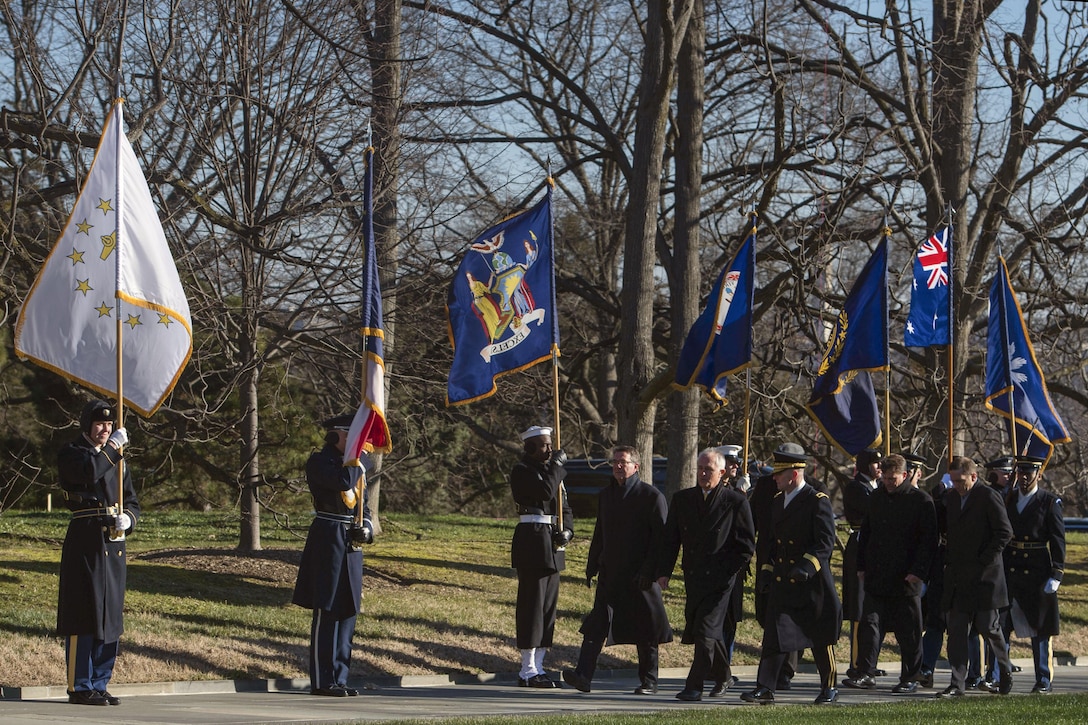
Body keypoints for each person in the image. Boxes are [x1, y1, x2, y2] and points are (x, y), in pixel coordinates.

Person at [563, 445, 672, 695]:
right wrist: (592, 565)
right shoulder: (606, 496)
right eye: (614, 462)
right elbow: (600, 533)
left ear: (636, 466)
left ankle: (649, 681)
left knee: (646, 629)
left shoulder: (651, 497)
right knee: (596, 625)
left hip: (641, 577)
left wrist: (651, 571)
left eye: (623, 462)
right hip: (610, 574)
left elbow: (661, 541)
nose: (618, 466)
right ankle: (583, 675)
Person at [740, 442, 841, 706]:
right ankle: (765, 687)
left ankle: (829, 686)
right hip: (784, 579)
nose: (774, 478)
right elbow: (772, 541)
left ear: (794, 474)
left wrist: (806, 568)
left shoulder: (817, 501)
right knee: (774, 636)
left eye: (779, 474)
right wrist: (766, 569)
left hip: (811, 582)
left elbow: (824, 543)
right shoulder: (777, 501)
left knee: (820, 637)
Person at [57, 399, 138, 706]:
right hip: (86, 540)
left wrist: (128, 519)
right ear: (87, 426)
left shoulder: (118, 459)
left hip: (113, 542)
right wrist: (113, 449)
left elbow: (131, 500)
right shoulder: (72, 453)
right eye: (99, 424)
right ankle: (80, 685)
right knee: (84, 614)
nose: (105, 429)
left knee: (110, 616)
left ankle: (100, 681)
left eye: (109, 425)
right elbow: (90, 472)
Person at [658, 448, 755, 701]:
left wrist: (727, 572)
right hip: (694, 577)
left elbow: (745, 546)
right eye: (700, 468)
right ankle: (724, 676)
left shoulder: (736, 502)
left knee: (704, 629)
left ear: (722, 473)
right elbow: (670, 540)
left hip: (722, 580)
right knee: (708, 630)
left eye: (708, 469)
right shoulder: (683, 499)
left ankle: (695, 685)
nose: (702, 473)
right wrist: (663, 572)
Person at [292, 414, 374, 697]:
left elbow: (364, 506)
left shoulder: (355, 466)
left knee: (348, 610)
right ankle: (322, 680)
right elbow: (342, 482)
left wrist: (367, 527)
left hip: (350, 542)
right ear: (336, 436)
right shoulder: (320, 462)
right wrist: (358, 460)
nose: (360, 443)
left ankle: (340, 677)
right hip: (328, 537)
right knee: (327, 609)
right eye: (353, 437)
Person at [842, 454, 937, 694]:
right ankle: (865, 672)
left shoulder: (921, 501)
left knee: (909, 631)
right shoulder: (876, 498)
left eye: (893, 478)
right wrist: (861, 566)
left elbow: (928, 542)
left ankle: (910, 676)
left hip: (906, 577)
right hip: (878, 574)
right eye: (885, 478)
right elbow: (867, 534)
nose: (888, 483)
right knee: (870, 624)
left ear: (904, 475)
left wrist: (918, 572)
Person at [937, 456, 1014, 699]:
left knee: (989, 628)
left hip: (984, 577)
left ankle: (1004, 669)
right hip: (959, 577)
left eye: (961, 480)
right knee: (956, 631)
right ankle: (957, 682)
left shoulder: (988, 496)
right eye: (953, 481)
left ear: (974, 476)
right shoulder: (950, 498)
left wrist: (983, 560)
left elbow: (1004, 533)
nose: (957, 485)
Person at [509, 425, 573, 688]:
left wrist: (567, 530)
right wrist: (557, 466)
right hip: (532, 539)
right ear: (530, 447)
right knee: (532, 607)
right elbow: (545, 491)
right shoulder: (522, 471)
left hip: (551, 542)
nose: (550, 449)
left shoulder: (552, 472)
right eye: (544, 445)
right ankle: (527, 669)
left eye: (550, 445)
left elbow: (564, 505)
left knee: (548, 608)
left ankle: (540, 666)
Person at [1002, 454, 1065, 694]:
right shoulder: (1009, 498)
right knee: (1002, 626)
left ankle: (1044, 679)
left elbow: (1058, 540)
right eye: (1021, 473)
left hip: (1038, 570)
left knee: (1041, 629)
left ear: (1039, 474)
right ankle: (1000, 676)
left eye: (1029, 473)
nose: (1024, 477)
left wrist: (1057, 573)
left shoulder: (1048, 502)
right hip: (1011, 568)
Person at [842, 448, 882, 680]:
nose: (879, 468)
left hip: (874, 546)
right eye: (875, 464)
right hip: (859, 546)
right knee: (859, 608)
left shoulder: (875, 488)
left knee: (871, 610)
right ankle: (857, 661)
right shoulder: (856, 487)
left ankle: (869, 661)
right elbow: (872, 511)